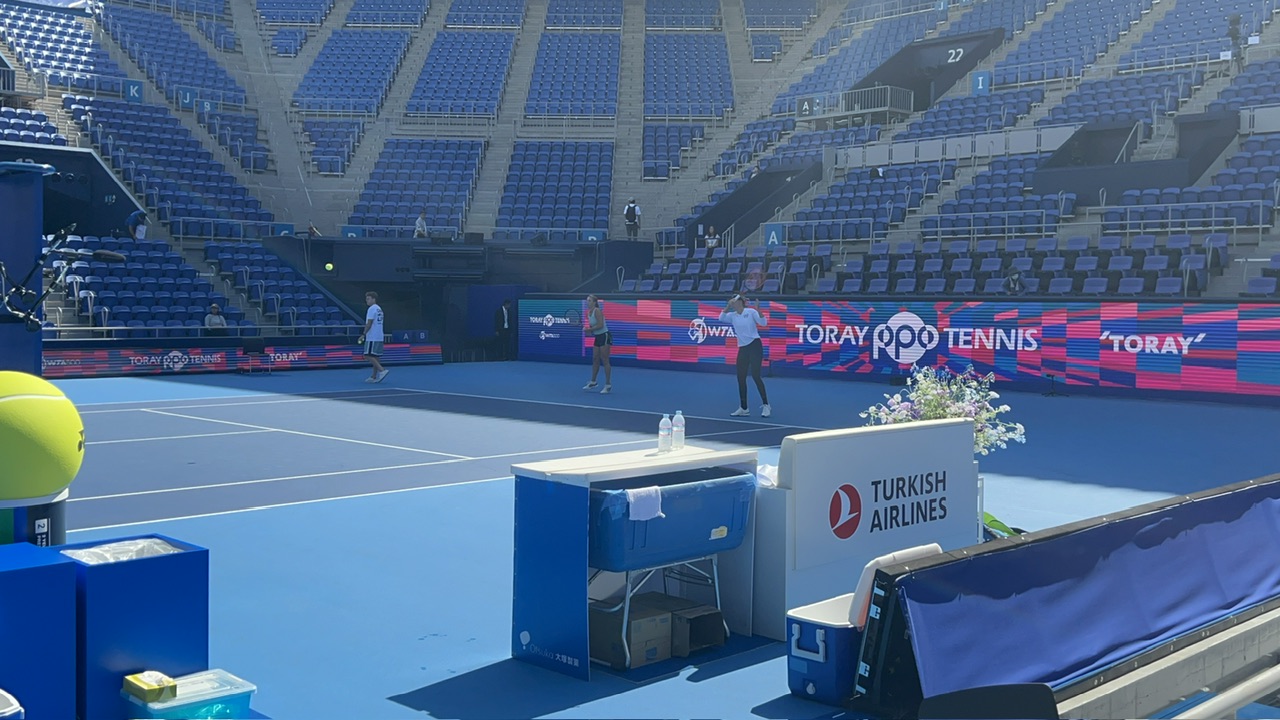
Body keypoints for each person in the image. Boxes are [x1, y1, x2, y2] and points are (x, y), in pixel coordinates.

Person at [720, 294, 770, 417]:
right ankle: (744, 408)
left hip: (755, 346)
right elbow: (721, 318)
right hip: (743, 348)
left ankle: (766, 405)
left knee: (756, 376)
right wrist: (728, 306)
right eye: (731, 302)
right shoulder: (732, 316)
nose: (733, 303)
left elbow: (763, 323)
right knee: (740, 378)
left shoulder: (751, 312)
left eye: (734, 301)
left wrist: (758, 309)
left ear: (740, 302)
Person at [582, 294, 612, 394]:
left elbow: (600, 325)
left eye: (589, 301)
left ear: (594, 302)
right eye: (587, 300)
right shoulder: (588, 313)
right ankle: (593, 382)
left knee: (605, 360)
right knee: (595, 359)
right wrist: (587, 330)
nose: (587, 302)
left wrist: (589, 329)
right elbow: (592, 330)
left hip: (605, 336)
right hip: (597, 337)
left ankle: (608, 385)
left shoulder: (597, 311)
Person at [358, 291, 388, 383]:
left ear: (373, 299)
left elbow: (369, 323)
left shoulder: (371, 309)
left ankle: (382, 370)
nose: (366, 300)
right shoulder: (379, 309)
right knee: (375, 356)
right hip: (379, 335)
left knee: (367, 355)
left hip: (372, 336)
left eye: (368, 298)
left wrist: (363, 334)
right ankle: (374, 376)